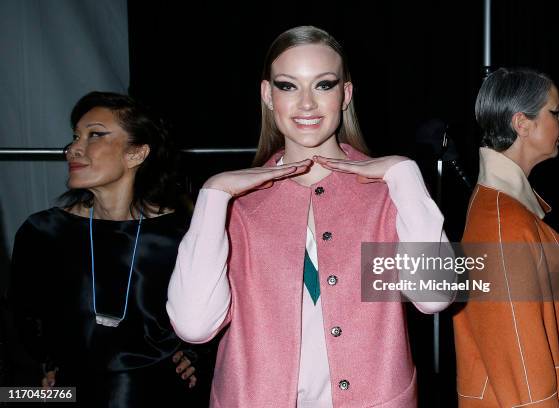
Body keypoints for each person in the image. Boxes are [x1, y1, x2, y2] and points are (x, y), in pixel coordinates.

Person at [167, 26, 453, 407]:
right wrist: (214, 193)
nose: (306, 104)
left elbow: (433, 296)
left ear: (345, 94)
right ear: (268, 95)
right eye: (288, 86)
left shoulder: (387, 193)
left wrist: (404, 172)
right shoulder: (238, 205)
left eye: (323, 85)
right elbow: (194, 326)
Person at [9, 91, 216, 407]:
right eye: (75, 137)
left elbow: (221, 316)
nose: (73, 149)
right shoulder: (43, 233)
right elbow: (20, 327)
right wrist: (38, 382)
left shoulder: (181, 233)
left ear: (136, 153)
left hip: (161, 395)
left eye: (94, 135)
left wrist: (196, 355)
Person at [453, 68, 559, 406]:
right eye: (554, 112)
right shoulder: (502, 223)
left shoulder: (505, 209)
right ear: (522, 123)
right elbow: (521, 367)